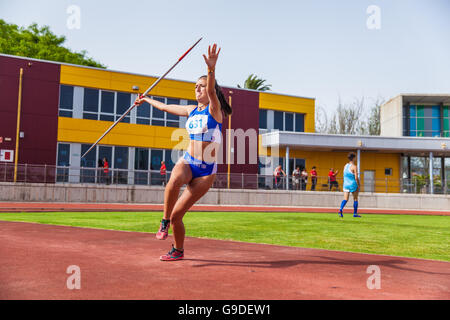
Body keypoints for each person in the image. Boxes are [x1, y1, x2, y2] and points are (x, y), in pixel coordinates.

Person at [134, 43, 232, 261]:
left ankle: (177, 250)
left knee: (179, 216)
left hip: (205, 172)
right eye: (195, 86)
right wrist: (145, 99)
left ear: (210, 91)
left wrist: (211, 69)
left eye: (201, 86)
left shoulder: (215, 110)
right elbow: (164, 108)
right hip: (189, 161)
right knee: (173, 180)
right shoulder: (190, 110)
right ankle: (163, 221)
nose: (197, 89)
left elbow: (211, 89)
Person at [338, 152, 361, 218]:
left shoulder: (345, 165)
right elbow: (356, 178)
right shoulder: (354, 167)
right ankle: (355, 213)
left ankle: (340, 209)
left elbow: (345, 174)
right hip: (353, 184)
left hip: (346, 184)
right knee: (355, 199)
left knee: (345, 199)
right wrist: (359, 185)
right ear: (354, 158)